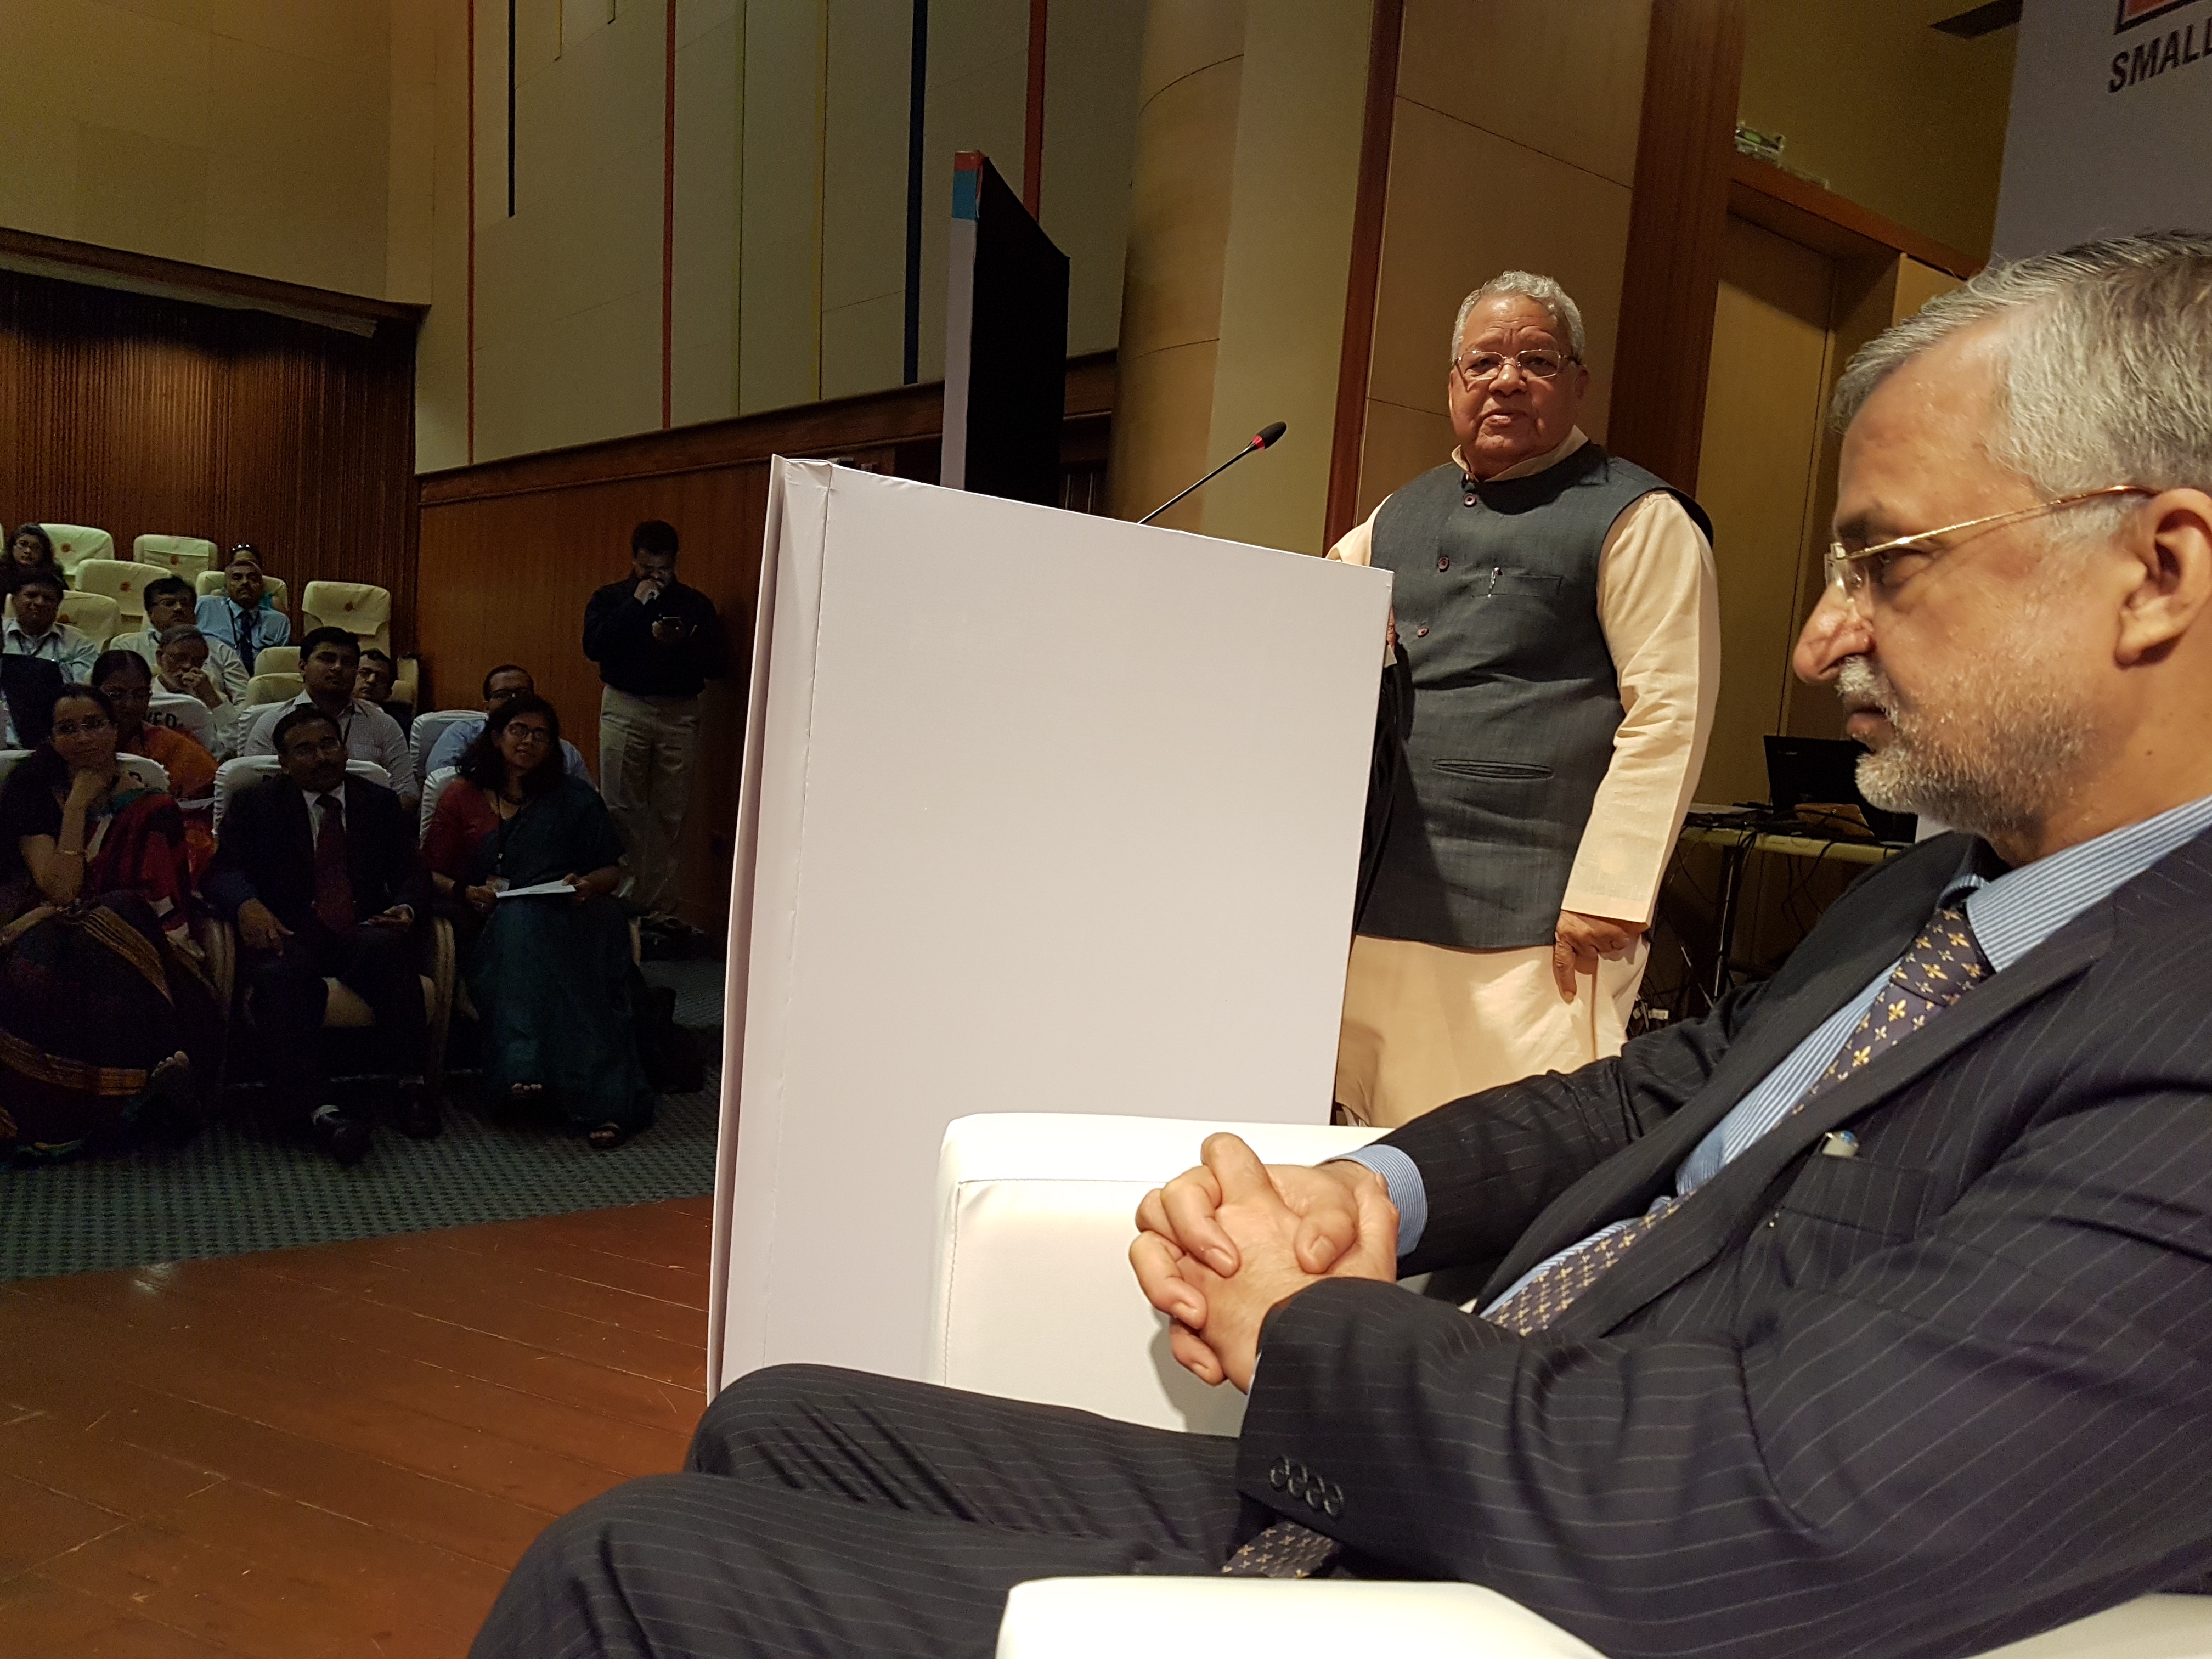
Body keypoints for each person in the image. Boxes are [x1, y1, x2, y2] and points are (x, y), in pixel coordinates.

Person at [472, 234, 2212, 1659]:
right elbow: (1663, 1097)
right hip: (1450, 1446)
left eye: (1885, 561)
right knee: (776, 1419)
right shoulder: (1938, 894)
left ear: (2158, 571)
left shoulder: (2184, 1038)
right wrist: (1369, 1191)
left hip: (1510, 1588)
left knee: (615, 1570)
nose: (1823, 636)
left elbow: (1767, 1519)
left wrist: (1314, 1331)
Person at [1327, 271, 1719, 1128]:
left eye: (1537, 361)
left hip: (1538, 913)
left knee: (1508, 1149)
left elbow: (1671, 711)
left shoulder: (1638, 517)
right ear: (1453, 385)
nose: (1507, 380)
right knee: (1372, 1146)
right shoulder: (1395, 516)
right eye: (1484, 362)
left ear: (1579, 384)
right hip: (1384, 892)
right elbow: (1312, 632)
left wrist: (1612, 888)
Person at [206, 705, 436, 1164]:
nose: (322, 758)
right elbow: (222, 872)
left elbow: (414, 875)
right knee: (279, 977)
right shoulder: (255, 805)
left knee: (387, 951)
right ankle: (319, 1111)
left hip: (361, 926)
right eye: (305, 750)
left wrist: (406, 908)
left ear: (345, 749)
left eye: (329, 745)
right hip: (288, 929)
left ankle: (411, 1085)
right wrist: (248, 905)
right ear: (284, 762)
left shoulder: (378, 802)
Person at [423, 694, 654, 1148]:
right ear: (496, 737)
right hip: (493, 927)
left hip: (574, 916)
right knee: (523, 925)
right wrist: (464, 891)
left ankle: (564, 1086)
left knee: (564, 949)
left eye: (541, 735)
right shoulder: (462, 796)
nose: (528, 741)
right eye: (518, 730)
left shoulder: (575, 799)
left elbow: (609, 872)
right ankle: (562, 1085)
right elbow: (428, 872)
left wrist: (586, 884)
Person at [0, 683, 217, 1160]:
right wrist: (78, 805)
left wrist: (69, 912)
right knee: (81, 937)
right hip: (44, 938)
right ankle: (142, 1089)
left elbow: (160, 907)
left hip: (140, 945)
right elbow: (60, 890)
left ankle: (126, 1103)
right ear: (50, 739)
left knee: (118, 914)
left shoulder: (150, 805)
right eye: (67, 729)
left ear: (116, 729)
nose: (83, 738)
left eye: (94, 725)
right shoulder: (30, 792)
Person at [583, 520, 727, 939]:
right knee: (621, 807)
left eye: (663, 569)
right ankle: (624, 905)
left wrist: (682, 643)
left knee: (670, 812)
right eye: (647, 569)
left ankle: (660, 911)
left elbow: (718, 664)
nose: (656, 577)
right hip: (625, 705)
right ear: (634, 561)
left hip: (679, 711)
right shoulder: (611, 598)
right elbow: (594, 646)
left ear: (675, 562)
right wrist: (636, 605)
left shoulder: (694, 604)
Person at [241, 627, 416, 807]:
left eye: (348, 663)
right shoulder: (270, 723)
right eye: (327, 659)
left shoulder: (383, 725)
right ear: (302, 666)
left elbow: (408, 792)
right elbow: (252, 793)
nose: (338, 667)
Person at [93, 651, 216, 874]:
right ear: (95, 693)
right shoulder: (75, 745)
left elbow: (204, 808)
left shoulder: (172, 744)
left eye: (140, 695)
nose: (129, 705)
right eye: (116, 695)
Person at [420, 664, 592, 784]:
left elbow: (586, 800)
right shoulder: (462, 734)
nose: (513, 700)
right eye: (503, 694)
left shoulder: (565, 751)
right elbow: (440, 782)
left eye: (522, 693)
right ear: (487, 706)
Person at [112, 575, 249, 702]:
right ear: (150, 613)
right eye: (169, 604)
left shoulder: (221, 650)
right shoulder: (128, 647)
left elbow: (244, 700)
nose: (179, 608)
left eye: (186, 604)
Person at [150, 624, 247, 760]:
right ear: (160, 657)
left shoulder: (213, 697)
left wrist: (213, 700)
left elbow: (236, 746)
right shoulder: (145, 696)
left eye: (198, 661)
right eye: (180, 658)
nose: (188, 666)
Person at [194, 545, 291, 672]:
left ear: (262, 587)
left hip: (260, 679)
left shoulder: (279, 621)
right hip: (214, 675)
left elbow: (282, 668)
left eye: (253, 579)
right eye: (237, 578)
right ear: (226, 588)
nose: (245, 582)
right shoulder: (206, 607)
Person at [3, 568, 100, 687]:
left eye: (48, 599)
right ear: (14, 600)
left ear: (57, 606)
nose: (40, 602)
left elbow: (82, 691)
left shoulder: (79, 644)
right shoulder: (1, 632)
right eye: (31, 596)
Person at [355, 648, 412, 736]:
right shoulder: (334, 713)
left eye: (381, 678)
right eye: (364, 673)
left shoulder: (402, 724)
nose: (371, 680)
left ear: (388, 693)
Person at [6, 523, 60, 589]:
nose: (28, 551)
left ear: (44, 553)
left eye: (36, 547)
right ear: (12, 547)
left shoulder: (52, 577)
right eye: (23, 544)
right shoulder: (2, 572)